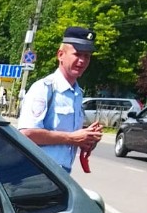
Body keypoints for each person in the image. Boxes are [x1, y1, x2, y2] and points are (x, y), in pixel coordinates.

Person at [17, 26, 102, 171]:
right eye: (77, 54)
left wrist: (86, 139)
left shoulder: (77, 93)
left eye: (87, 56)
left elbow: (71, 137)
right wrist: (72, 138)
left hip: (60, 173)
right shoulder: (44, 88)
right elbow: (27, 134)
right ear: (60, 55)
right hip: (38, 171)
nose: (82, 61)